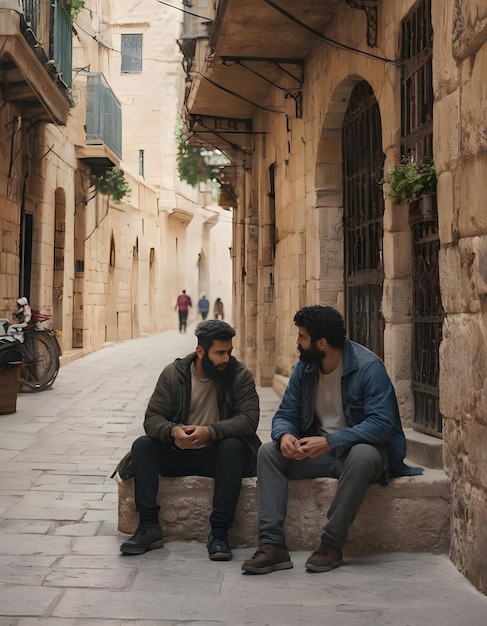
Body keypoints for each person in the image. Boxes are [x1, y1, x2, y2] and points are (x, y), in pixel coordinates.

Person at [242, 305, 422, 575]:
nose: (297, 342)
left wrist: (331, 442)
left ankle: (331, 545)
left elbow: (381, 425)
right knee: (269, 451)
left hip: (358, 454)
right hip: (318, 453)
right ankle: (272, 545)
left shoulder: (368, 367)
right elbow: (284, 415)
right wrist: (286, 435)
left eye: (302, 336)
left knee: (361, 455)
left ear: (321, 343)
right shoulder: (303, 369)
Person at [120, 319, 261, 561]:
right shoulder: (173, 374)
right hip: (178, 452)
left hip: (216, 456)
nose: (226, 358)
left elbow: (249, 419)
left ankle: (219, 533)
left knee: (232, 446)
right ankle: (149, 526)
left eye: (229, 352)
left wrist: (210, 432)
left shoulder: (239, 375)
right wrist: (172, 431)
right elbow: (152, 418)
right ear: (200, 351)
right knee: (142, 446)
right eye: (219, 353)